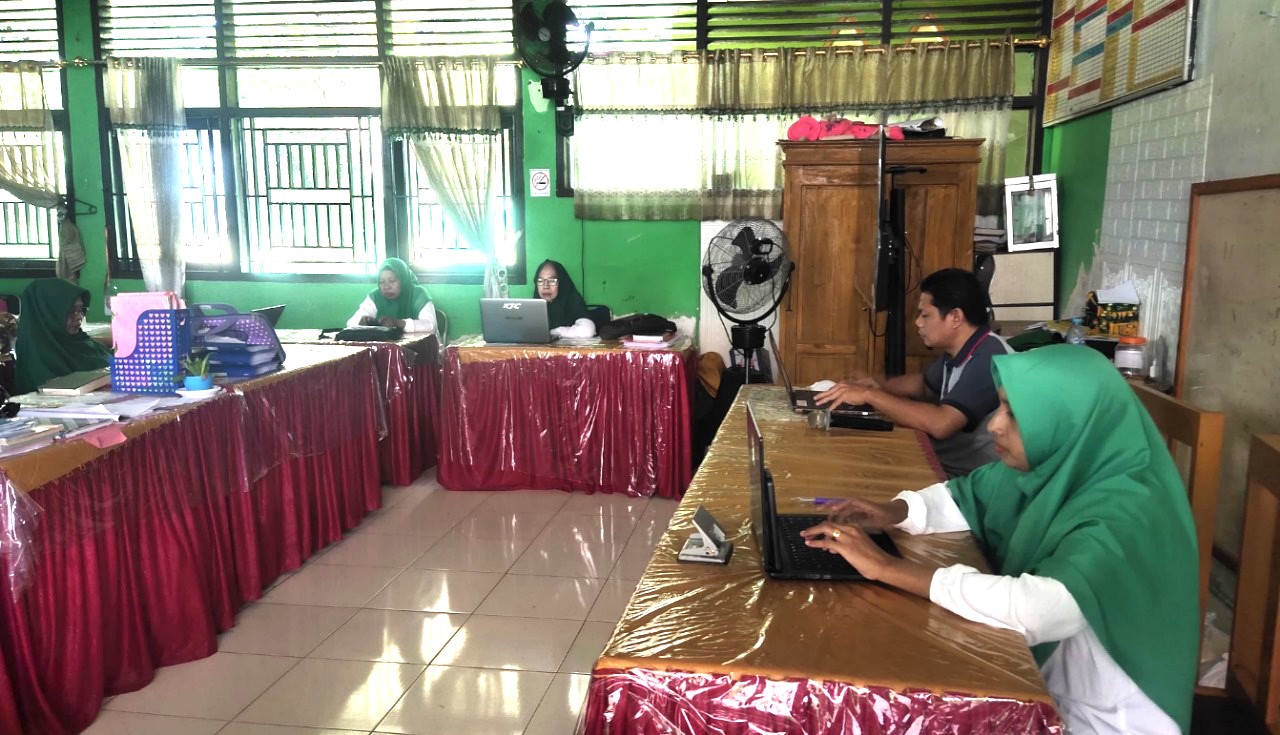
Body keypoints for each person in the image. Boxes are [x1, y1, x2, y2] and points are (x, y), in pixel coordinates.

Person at [802, 345, 1198, 734]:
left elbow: (1037, 609)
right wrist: (893, 512)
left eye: (1013, 413)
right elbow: (966, 495)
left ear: (1067, 419)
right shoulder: (1061, 462)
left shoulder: (1126, 511)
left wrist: (887, 568)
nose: (995, 424)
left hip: (1107, 716)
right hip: (1054, 682)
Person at [816, 268, 1010, 476]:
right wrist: (875, 385)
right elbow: (924, 386)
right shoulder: (961, 349)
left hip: (970, 479)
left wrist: (870, 395)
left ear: (955, 317)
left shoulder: (989, 358)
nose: (918, 322)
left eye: (926, 315)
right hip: (943, 462)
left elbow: (941, 424)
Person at [14, 278, 113, 395]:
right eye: (71, 311)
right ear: (47, 313)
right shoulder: (37, 353)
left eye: (81, 310)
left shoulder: (81, 341)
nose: (79, 316)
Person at [347, 258, 437, 334]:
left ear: (403, 279)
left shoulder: (418, 294)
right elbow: (350, 323)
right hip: (386, 350)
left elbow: (431, 325)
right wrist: (361, 322)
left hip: (422, 350)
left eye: (392, 281)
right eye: (381, 282)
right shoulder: (376, 296)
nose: (386, 287)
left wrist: (398, 323)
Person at [534, 259, 596, 339]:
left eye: (552, 280)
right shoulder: (534, 305)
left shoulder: (573, 300)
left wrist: (553, 332)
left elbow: (587, 331)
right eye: (540, 280)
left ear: (562, 282)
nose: (546, 286)